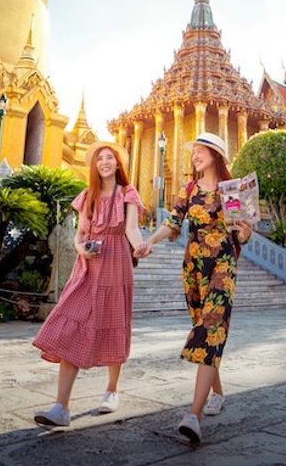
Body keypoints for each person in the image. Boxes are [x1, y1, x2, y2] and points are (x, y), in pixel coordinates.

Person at [137, 132, 255, 444]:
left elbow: (242, 234)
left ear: (216, 155)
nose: (196, 156)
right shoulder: (188, 189)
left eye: (202, 151)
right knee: (204, 327)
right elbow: (173, 223)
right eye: (194, 152)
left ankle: (194, 414)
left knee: (212, 327)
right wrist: (149, 241)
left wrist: (244, 233)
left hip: (222, 265)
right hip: (193, 267)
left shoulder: (232, 190)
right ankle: (217, 392)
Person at [31, 142, 146, 427]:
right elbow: (79, 234)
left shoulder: (127, 194)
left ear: (119, 164)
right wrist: (81, 249)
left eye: (110, 158)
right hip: (88, 268)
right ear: (94, 165)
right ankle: (61, 407)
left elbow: (131, 229)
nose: (105, 162)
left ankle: (112, 390)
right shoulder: (87, 196)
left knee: (113, 323)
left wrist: (142, 246)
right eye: (100, 159)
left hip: (117, 263)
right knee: (71, 324)